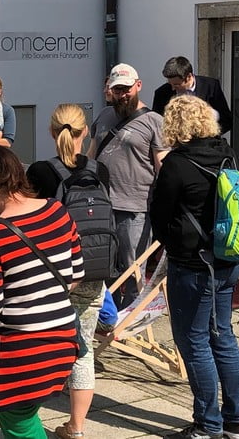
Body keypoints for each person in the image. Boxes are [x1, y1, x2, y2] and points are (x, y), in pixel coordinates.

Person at [150, 96, 239, 439]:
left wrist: (174, 241)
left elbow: (159, 217)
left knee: (194, 342)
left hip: (193, 267)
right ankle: (238, 422)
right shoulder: (225, 153)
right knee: (223, 337)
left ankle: (207, 426)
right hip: (228, 260)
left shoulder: (176, 164)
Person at [0, 147, 84, 439]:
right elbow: (75, 275)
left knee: (17, 422)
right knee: (27, 414)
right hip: (63, 340)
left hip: (21, 349)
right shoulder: (58, 210)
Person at [25, 103, 110, 439]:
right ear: (85, 131)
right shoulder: (99, 170)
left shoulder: (40, 172)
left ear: (50, 131)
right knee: (83, 349)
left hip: (52, 273)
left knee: (40, 340)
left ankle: (28, 413)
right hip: (92, 269)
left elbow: (30, 221)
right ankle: (76, 426)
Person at [89, 63, 168, 309]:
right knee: (105, 266)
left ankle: (131, 322)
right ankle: (107, 318)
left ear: (138, 86)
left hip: (135, 209)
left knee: (133, 269)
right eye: (117, 89)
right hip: (102, 205)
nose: (122, 94)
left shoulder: (155, 121)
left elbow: (162, 166)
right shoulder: (103, 115)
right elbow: (91, 155)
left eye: (126, 89)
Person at [152, 56, 232, 134]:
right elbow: (156, 124)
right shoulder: (161, 93)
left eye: (177, 85)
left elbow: (226, 120)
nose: (172, 88)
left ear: (189, 77)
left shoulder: (211, 86)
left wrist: (209, 136)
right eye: (170, 84)